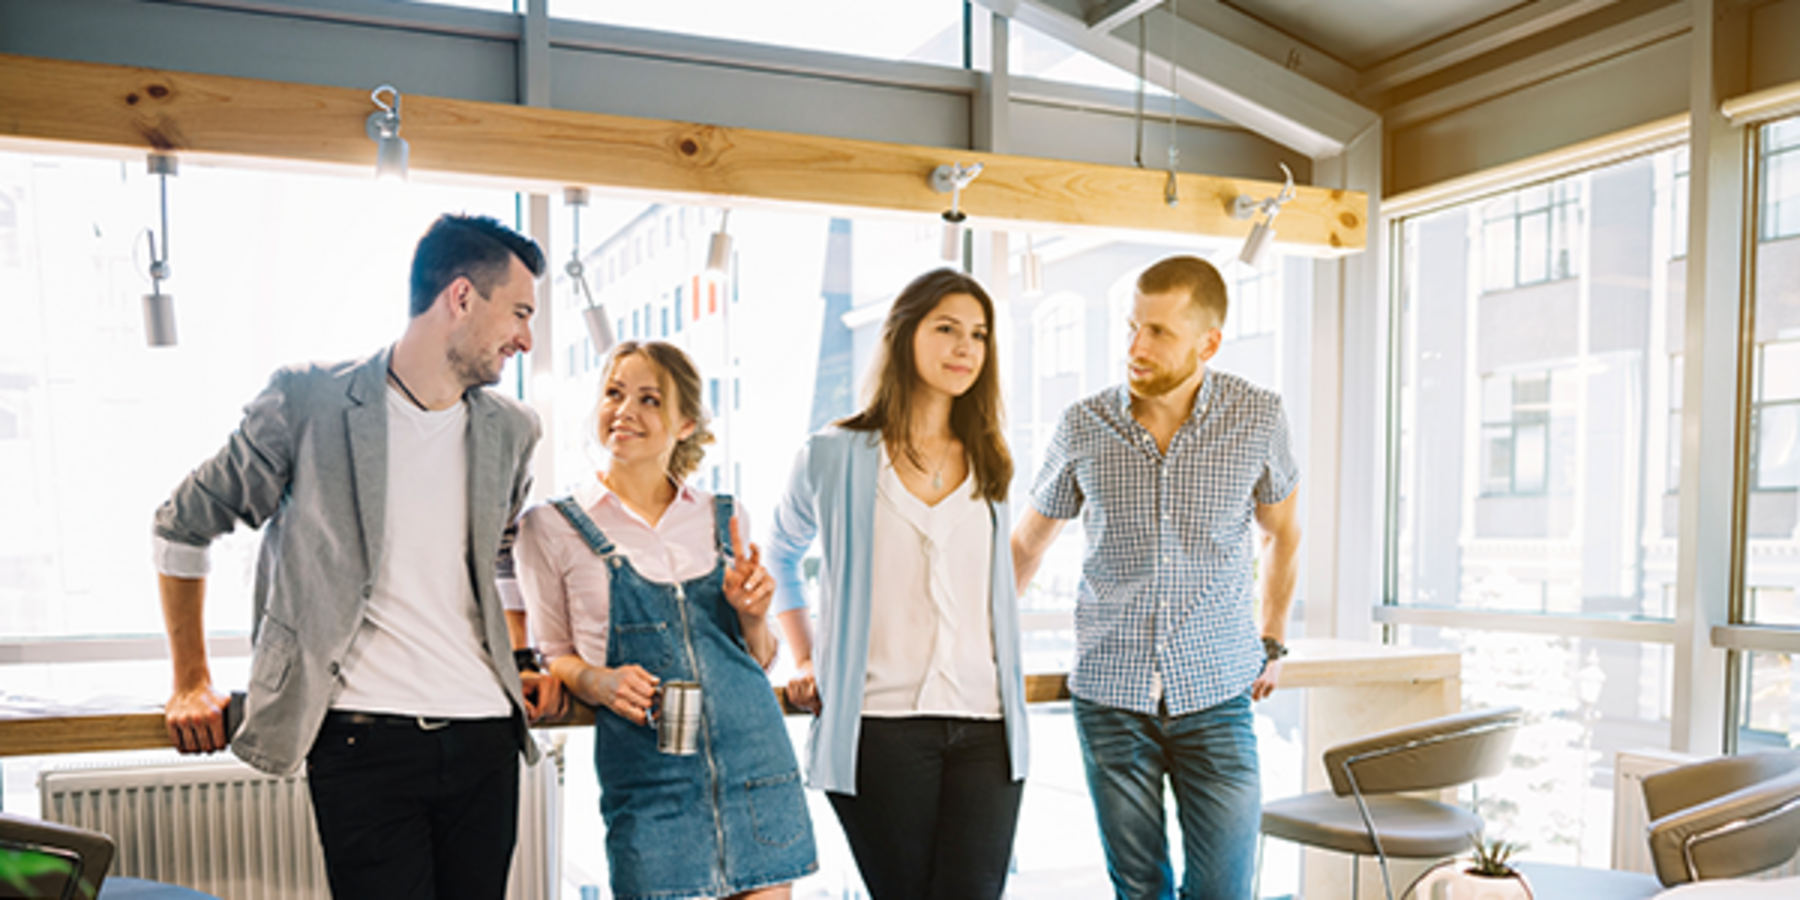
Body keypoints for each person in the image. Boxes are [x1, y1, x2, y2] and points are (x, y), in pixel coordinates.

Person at [153, 213, 565, 900]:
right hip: (361, 740)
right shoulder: (308, 400)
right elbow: (181, 526)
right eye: (519, 313)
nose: (525, 338)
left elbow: (498, 552)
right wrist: (191, 678)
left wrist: (521, 658)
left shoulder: (512, 429)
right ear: (461, 297)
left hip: (486, 740)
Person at [1011, 255, 1301, 900]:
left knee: (1224, 892)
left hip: (1219, 695)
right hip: (1112, 698)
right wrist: (980, 640)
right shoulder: (1085, 424)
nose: (1136, 347)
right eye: (1131, 327)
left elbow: (1282, 534)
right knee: (1140, 891)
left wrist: (1272, 639)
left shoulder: (1257, 418)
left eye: (1159, 332)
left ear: (1209, 342)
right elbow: (1027, 547)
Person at [515, 340, 816, 900]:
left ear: (684, 425)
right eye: (613, 393)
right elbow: (553, 650)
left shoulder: (724, 517)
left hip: (757, 767)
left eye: (649, 399)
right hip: (651, 786)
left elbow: (758, 656)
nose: (624, 410)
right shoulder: (550, 528)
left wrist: (754, 616)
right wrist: (598, 682)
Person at [768, 268, 1029, 900]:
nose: (965, 347)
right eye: (946, 329)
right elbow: (780, 554)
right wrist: (805, 655)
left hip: (986, 724)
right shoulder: (834, 454)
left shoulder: (991, 456)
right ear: (905, 335)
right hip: (877, 726)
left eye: (978, 334)